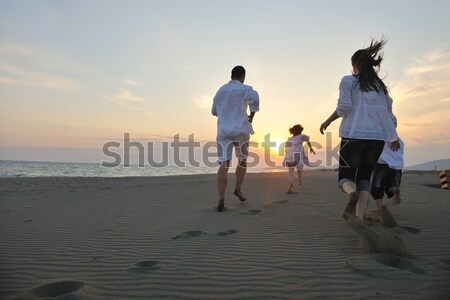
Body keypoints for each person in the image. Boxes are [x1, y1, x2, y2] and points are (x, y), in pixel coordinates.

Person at [319, 38, 400, 222]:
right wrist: (393, 136)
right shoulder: (380, 88)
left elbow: (343, 108)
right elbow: (390, 116)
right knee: (364, 177)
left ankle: (351, 193)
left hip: (353, 137)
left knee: (345, 178)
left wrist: (328, 121)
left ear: (355, 64)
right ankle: (360, 218)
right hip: (377, 140)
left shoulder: (348, 82)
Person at [212, 66, 260, 212]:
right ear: (242, 76)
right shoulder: (246, 88)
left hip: (224, 131)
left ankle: (221, 198)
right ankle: (238, 188)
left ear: (231, 75)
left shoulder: (220, 91)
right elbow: (255, 101)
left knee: (224, 164)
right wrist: (251, 116)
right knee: (242, 160)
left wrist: (226, 113)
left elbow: (214, 112)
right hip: (240, 130)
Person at [371, 137, 404, 214]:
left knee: (377, 188)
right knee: (392, 186)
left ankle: (380, 210)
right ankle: (395, 189)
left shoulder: (381, 138)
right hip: (397, 167)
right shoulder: (401, 142)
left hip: (382, 164)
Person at [283, 124, 316, 194]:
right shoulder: (302, 136)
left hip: (289, 156)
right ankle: (300, 180)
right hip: (297, 154)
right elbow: (307, 140)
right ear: (299, 131)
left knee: (291, 172)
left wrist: (286, 156)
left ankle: (290, 188)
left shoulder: (290, 139)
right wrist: (310, 147)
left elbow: (286, 148)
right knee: (299, 168)